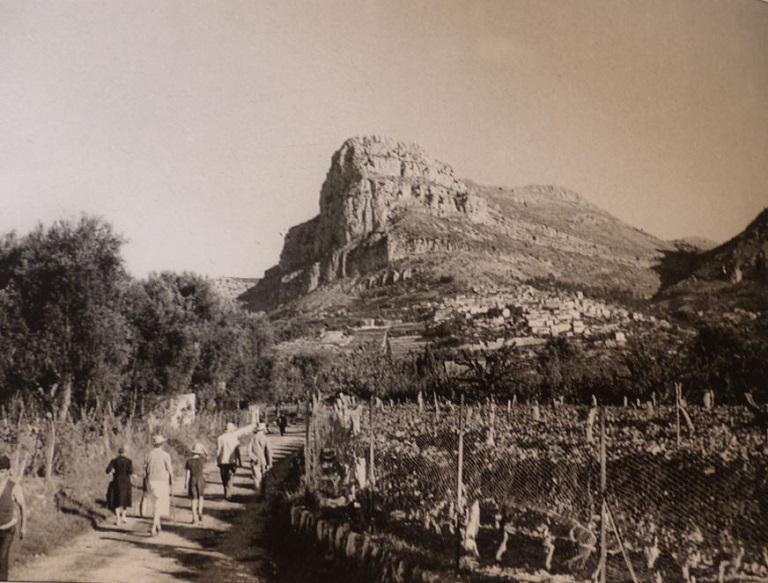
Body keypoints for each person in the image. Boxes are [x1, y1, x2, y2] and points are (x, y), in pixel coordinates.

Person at [0, 454, 25, 582]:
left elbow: (22, 507)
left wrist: (23, 527)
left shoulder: (14, 487)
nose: (0, 475)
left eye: (2, 471)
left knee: (2, 557)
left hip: (8, 528)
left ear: (8, 471)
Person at [144, 434, 173, 536]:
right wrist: (172, 479)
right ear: (162, 444)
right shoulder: (165, 455)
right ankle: (153, 527)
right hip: (162, 481)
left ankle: (158, 524)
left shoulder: (148, 454)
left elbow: (145, 469)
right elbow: (169, 469)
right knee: (158, 504)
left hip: (151, 480)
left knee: (155, 504)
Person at [216, 421, 253, 500]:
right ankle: (228, 493)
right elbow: (237, 451)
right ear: (232, 430)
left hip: (222, 460)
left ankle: (226, 491)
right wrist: (239, 461)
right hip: (232, 461)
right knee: (230, 476)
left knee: (224, 476)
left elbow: (218, 450)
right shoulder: (234, 438)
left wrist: (217, 460)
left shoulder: (220, 438)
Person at [105, 445, 133, 525]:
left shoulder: (114, 461)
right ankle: (123, 516)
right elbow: (130, 472)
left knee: (116, 500)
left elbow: (107, 471)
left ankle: (118, 519)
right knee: (125, 499)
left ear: (118, 452)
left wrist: (112, 472)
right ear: (125, 453)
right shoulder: (129, 461)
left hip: (116, 481)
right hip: (126, 481)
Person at [247, 423, 273, 500]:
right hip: (263, 461)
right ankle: (262, 495)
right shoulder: (266, 439)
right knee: (264, 478)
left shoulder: (252, 438)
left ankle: (258, 494)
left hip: (255, 461)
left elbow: (249, 451)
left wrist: (254, 458)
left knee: (256, 478)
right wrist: (270, 463)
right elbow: (268, 452)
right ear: (263, 430)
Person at [184, 442, 207, 524]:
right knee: (201, 497)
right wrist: (204, 449)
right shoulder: (202, 460)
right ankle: (200, 511)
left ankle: (194, 517)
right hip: (200, 479)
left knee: (193, 499)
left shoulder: (188, 462)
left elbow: (187, 474)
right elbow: (207, 455)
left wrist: (186, 483)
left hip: (192, 480)